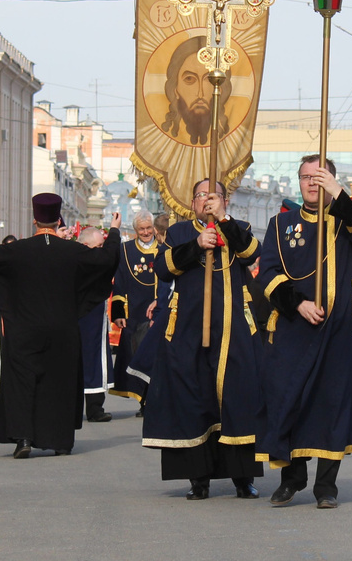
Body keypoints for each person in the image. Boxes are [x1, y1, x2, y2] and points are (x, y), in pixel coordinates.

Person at [0, 194, 121, 458]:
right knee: (59, 382)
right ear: (58, 219)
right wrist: (114, 231)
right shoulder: (73, 251)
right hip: (63, 330)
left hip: (23, 330)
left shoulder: (17, 250)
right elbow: (106, 259)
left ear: (34, 219)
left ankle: (23, 438)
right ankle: (60, 441)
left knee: (22, 382)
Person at [258, 156, 352, 509]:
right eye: (306, 177)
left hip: (339, 329)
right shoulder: (282, 224)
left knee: (332, 404)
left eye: (319, 177)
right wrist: (298, 303)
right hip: (295, 327)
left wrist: (339, 193)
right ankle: (291, 479)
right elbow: (268, 273)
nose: (312, 183)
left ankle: (327, 487)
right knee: (289, 399)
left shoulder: (345, 219)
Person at [143, 180, 263, 500]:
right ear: (192, 202)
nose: (205, 201)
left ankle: (242, 477)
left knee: (236, 400)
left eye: (213, 196)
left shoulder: (239, 226)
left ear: (224, 200)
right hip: (188, 329)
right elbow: (164, 268)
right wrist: (197, 243)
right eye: (200, 196)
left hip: (233, 328)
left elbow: (252, 253)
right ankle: (199, 479)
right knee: (194, 401)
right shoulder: (179, 232)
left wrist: (222, 220)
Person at [109, 210, 160, 414]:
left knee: (157, 356)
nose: (146, 232)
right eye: (142, 229)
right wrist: (118, 312)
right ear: (136, 230)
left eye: (149, 228)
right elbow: (119, 282)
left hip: (159, 311)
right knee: (137, 355)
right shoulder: (125, 250)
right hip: (135, 313)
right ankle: (143, 400)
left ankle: (153, 399)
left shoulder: (165, 248)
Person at [77, 226, 115, 422]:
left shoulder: (98, 262)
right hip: (76, 320)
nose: (101, 250)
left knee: (96, 361)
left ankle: (95, 407)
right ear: (85, 246)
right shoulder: (74, 261)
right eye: (98, 246)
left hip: (95, 319)